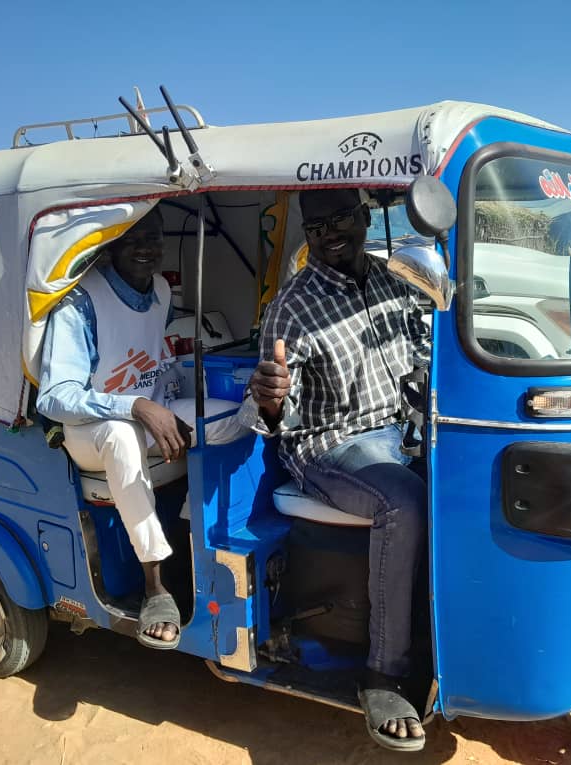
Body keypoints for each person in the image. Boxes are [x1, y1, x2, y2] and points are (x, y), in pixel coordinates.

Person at [240, 188, 430, 751]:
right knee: (405, 503)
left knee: (462, 485)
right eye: (316, 226)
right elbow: (269, 409)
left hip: (396, 431)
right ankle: (382, 674)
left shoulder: (394, 281)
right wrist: (270, 399)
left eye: (340, 219)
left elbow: (422, 354)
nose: (328, 234)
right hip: (328, 445)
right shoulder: (292, 307)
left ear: (367, 217)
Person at [36, 206, 243, 650]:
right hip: (90, 430)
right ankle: (155, 586)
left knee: (235, 417)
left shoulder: (162, 290)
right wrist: (137, 406)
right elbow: (54, 397)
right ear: (109, 246)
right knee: (122, 435)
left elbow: (154, 359)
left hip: (150, 409)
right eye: (131, 239)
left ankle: (192, 529)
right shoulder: (80, 302)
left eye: (151, 237)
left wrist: (164, 405)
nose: (144, 248)